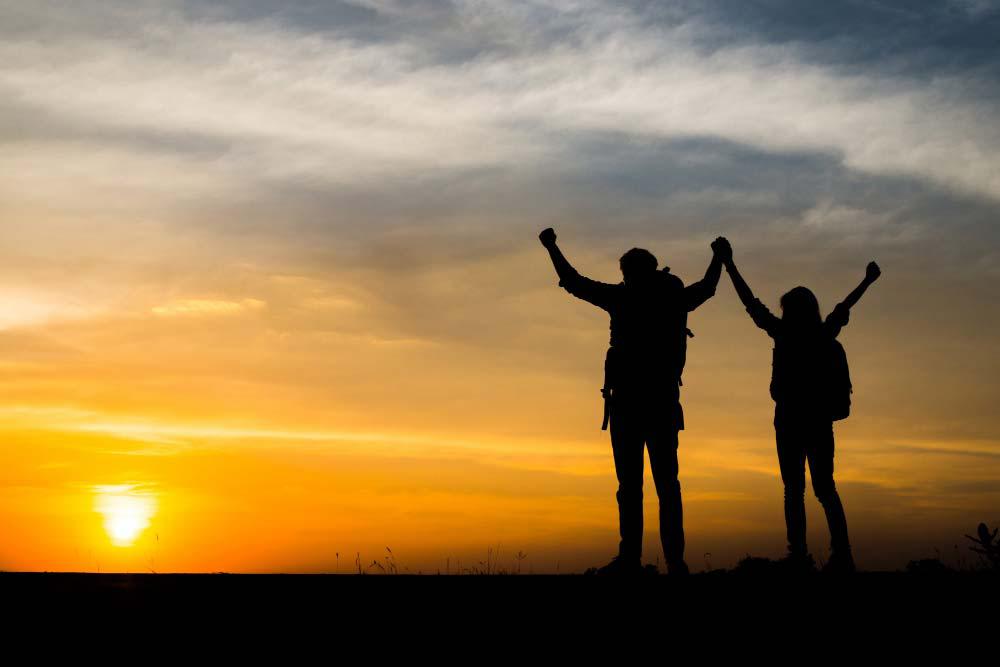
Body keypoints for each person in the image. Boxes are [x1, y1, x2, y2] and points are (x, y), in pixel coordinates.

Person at [539, 228, 726, 575]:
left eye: (627, 274)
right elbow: (708, 287)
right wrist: (719, 258)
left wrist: (552, 248)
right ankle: (668, 560)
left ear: (631, 273)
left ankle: (638, 558)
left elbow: (574, 282)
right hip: (657, 401)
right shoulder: (671, 299)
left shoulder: (624, 298)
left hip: (633, 402)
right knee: (662, 484)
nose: (626, 279)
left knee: (637, 485)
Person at [716, 237, 881, 572]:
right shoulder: (824, 334)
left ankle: (802, 555)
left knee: (796, 490)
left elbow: (751, 304)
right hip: (816, 421)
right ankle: (839, 554)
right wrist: (867, 280)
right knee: (823, 488)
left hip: (791, 420)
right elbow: (845, 306)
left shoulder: (783, 333)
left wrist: (730, 265)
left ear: (789, 311)